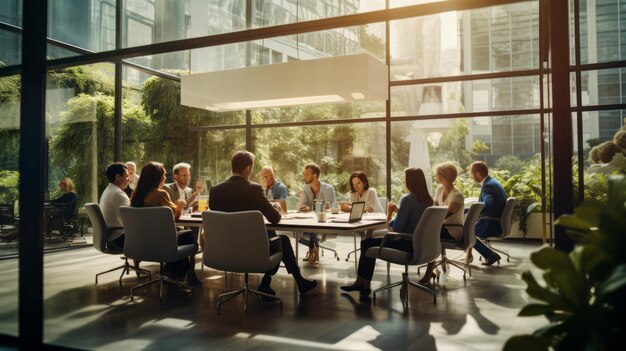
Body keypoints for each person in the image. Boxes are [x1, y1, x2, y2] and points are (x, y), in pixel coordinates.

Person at [209, 151, 317, 297]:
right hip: (252, 252)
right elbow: (275, 218)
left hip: (223, 251)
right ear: (248, 168)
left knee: (271, 236)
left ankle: (266, 284)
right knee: (282, 241)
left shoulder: (215, 190)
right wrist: (273, 207)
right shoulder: (254, 189)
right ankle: (297, 281)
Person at [341, 168, 434, 299]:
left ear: (411, 182)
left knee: (366, 244)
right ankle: (364, 284)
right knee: (368, 243)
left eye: (405, 179)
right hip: (421, 245)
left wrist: (390, 213)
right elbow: (414, 218)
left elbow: (395, 229)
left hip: (405, 243)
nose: (403, 181)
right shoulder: (428, 200)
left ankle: (362, 282)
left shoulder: (407, 199)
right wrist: (399, 211)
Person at [130, 162, 201, 285]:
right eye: (163, 175)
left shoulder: (136, 196)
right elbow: (175, 216)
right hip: (161, 243)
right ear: (157, 178)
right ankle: (183, 274)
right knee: (188, 235)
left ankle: (172, 271)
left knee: (182, 234)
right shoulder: (160, 194)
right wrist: (180, 205)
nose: (165, 178)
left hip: (141, 242)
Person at [421, 162, 466, 277]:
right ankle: (430, 266)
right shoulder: (440, 189)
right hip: (441, 227)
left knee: (428, 234)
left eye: (437, 174)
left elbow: (443, 215)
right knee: (427, 232)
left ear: (443, 176)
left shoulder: (457, 195)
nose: (435, 176)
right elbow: (434, 208)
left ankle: (429, 270)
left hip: (453, 230)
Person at [296, 163, 337, 264]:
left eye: (307, 174)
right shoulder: (305, 188)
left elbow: (328, 209)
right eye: (304, 174)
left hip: (325, 224)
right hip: (309, 222)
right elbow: (301, 206)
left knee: (313, 228)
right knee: (294, 233)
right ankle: (314, 246)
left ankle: (313, 250)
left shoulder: (328, 189)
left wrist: (309, 208)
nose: (304, 177)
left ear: (315, 175)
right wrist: (306, 207)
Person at [469, 161, 507, 266]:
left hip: (489, 224)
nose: (471, 177)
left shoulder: (487, 186)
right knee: (467, 230)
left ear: (477, 173)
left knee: (465, 232)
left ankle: (489, 255)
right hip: (495, 221)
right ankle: (470, 256)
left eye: (471, 174)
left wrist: (469, 211)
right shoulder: (493, 182)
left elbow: (487, 204)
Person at [99, 162, 130, 251]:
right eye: (127, 176)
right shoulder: (117, 194)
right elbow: (132, 220)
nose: (129, 179)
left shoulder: (109, 191)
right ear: (117, 176)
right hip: (119, 239)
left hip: (112, 238)